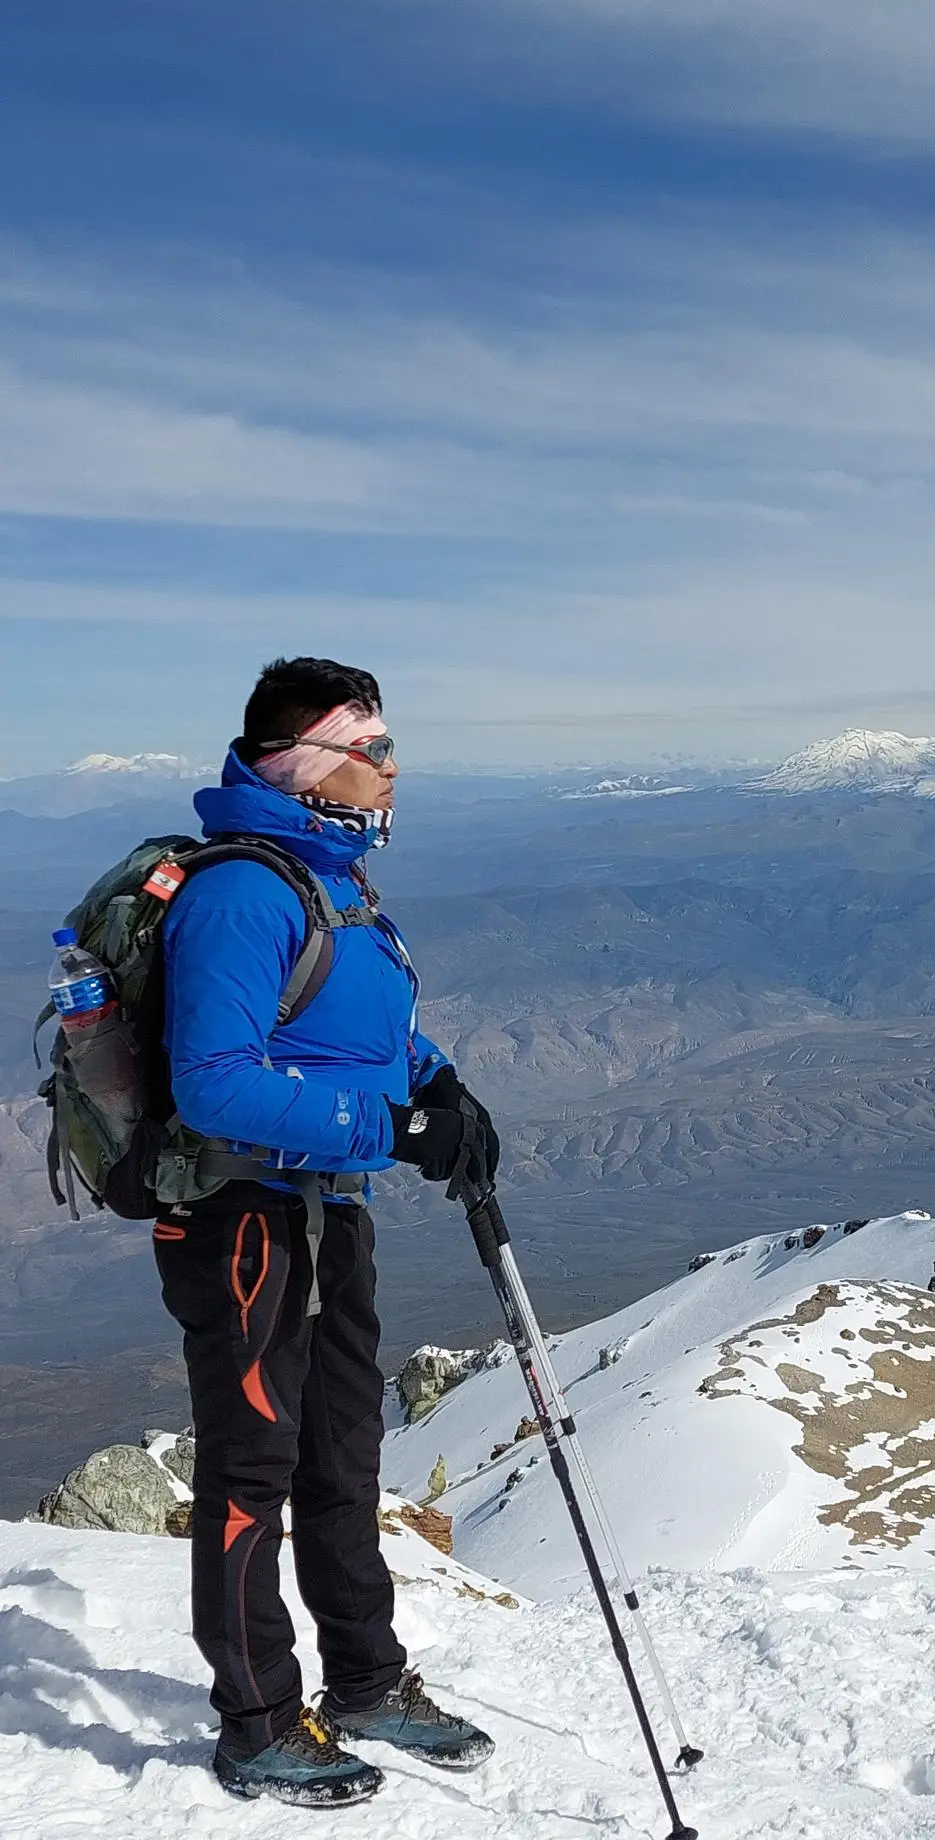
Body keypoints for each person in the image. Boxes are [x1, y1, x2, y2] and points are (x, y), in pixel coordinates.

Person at [153, 657, 500, 1807]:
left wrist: (439, 1088)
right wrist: (388, 1122)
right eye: (373, 748)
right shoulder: (244, 892)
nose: (393, 769)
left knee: (343, 1460)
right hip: (245, 1220)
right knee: (254, 1468)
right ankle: (256, 1718)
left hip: (328, 1211)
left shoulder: (334, 884)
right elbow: (212, 1082)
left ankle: (364, 1679)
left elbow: (360, 1032)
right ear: (304, 766)